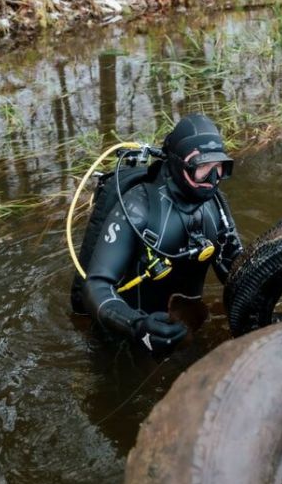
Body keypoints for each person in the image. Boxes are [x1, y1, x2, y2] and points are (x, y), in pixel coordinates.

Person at [82, 114, 242, 351]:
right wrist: (135, 326)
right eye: (201, 168)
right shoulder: (137, 207)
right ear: (178, 163)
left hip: (187, 326)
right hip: (130, 335)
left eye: (218, 168)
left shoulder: (216, 207)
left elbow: (236, 271)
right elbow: (96, 284)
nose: (212, 180)